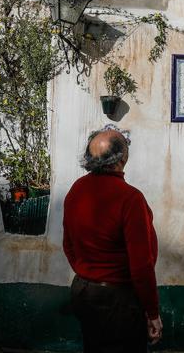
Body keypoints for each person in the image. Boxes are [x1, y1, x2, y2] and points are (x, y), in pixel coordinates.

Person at [63, 128, 162, 352]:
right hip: (116, 299)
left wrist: (87, 273)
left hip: (83, 290)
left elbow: (68, 244)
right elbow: (142, 265)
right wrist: (153, 313)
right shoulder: (130, 198)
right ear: (123, 158)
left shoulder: (76, 189)